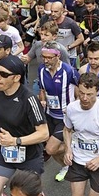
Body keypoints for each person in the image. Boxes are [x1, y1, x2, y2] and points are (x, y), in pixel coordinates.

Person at [0, 55, 49, 196]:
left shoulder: (29, 99)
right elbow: (3, 107)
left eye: (4, 74)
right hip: (6, 151)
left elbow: (44, 133)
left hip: (29, 155)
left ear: (16, 78)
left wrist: (15, 141)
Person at [38, 41, 80, 182]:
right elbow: (42, 90)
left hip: (65, 117)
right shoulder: (41, 70)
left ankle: (74, 148)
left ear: (58, 56)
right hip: (50, 114)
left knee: (50, 149)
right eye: (44, 57)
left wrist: (75, 108)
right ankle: (66, 166)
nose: (46, 60)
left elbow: (80, 91)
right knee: (51, 147)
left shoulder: (68, 71)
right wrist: (42, 100)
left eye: (49, 57)